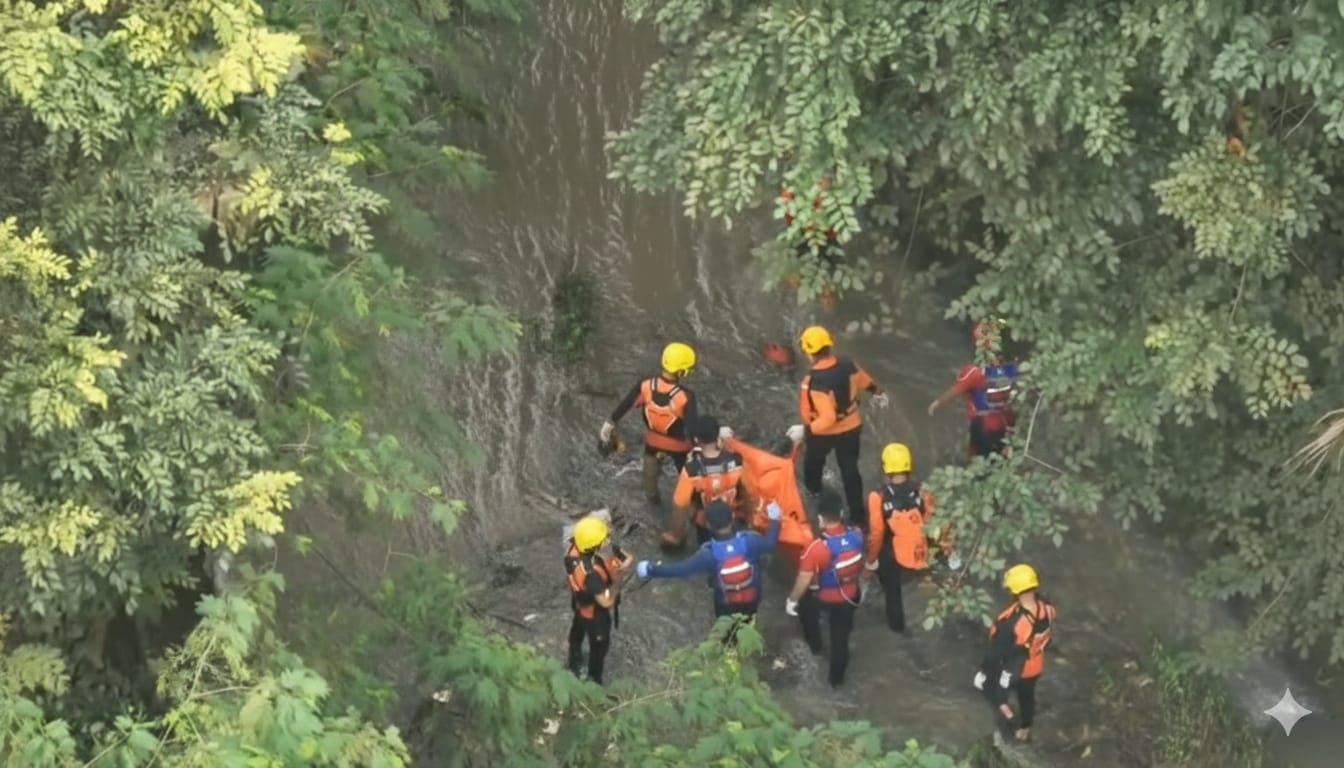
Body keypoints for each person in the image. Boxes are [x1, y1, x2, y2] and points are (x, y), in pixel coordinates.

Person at [636, 500, 781, 643]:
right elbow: (770, 543)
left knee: (726, 628)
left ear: (708, 525)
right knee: (748, 619)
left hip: (725, 604)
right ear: (732, 518)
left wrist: (650, 569)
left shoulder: (708, 554)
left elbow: (680, 570)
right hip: (752, 598)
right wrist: (775, 519)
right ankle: (748, 632)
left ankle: (728, 645)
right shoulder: (750, 541)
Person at [793, 325, 887, 528]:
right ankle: (858, 518)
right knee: (850, 471)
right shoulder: (848, 364)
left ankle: (814, 493)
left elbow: (827, 418)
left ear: (809, 353)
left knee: (812, 464)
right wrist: (879, 393)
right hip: (851, 427)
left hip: (822, 433)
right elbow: (867, 383)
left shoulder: (815, 382)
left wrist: (806, 430)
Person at [864, 442, 954, 633]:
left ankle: (897, 628)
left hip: (892, 554)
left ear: (885, 468)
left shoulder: (877, 497)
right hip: (921, 549)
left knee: (892, 594)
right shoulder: (924, 491)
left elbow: (877, 533)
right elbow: (935, 522)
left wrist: (871, 561)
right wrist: (946, 549)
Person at [601, 342, 699, 504]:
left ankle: (653, 501)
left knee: (649, 480)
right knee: (690, 483)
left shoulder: (645, 384)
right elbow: (692, 428)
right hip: (679, 446)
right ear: (681, 371)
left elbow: (626, 403)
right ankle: (693, 504)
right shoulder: (686, 396)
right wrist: (700, 446)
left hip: (653, 442)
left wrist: (610, 421)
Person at [785, 489, 865, 687]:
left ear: (820, 519)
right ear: (841, 513)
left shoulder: (817, 548)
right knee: (840, 640)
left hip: (828, 598)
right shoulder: (857, 535)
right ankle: (836, 683)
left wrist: (792, 600)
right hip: (851, 594)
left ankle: (815, 647)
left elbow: (804, 579)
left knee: (805, 606)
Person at [974, 564, 1057, 743]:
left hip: (1015, 669)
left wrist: (985, 671)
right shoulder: (1048, 608)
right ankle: (1026, 728)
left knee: (988, 686)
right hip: (1036, 665)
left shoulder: (1010, 624)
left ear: (1014, 591)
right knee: (1027, 696)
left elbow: (997, 655)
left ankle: (1008, 715)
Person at [927, 321, 1020, 459]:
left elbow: (955, 391)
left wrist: (936, 404)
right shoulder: (1012, 368)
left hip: (983, 426)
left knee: (979, 460)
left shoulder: (974, 373)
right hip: (1007, 425)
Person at [663, 415, 753, 550]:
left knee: (709, 550)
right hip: (731, 519)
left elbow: (680, 505)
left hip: (706, 525)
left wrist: (675, 536)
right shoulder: (737, 461)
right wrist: (749, 519)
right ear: (718, 435)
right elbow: (749, 493)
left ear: (696, 440)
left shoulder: (691, 470)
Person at [564, 515, 634, 684]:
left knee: (577, 628)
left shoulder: (579, 545)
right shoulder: (591, 575)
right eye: (605, 539)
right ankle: (594, 680)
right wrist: (618, 583)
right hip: (594, 613)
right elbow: (606, 602)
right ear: (594, 546)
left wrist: (628, 562)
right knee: (599, 648)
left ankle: (574, 655)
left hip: (579, 603)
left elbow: (626, 556)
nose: (608, 540)